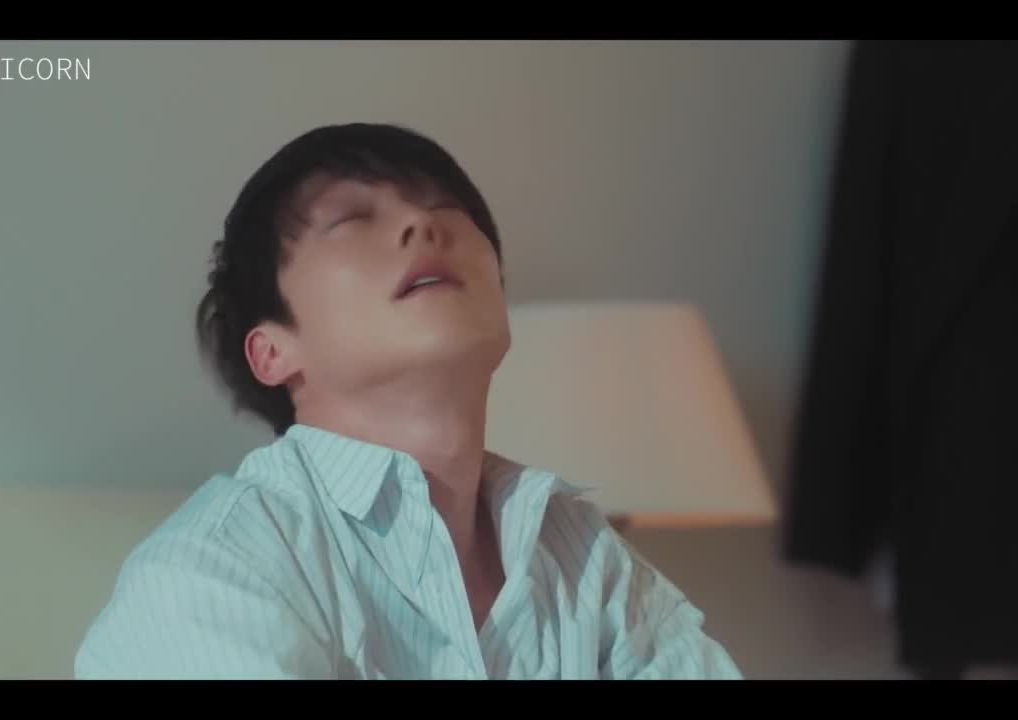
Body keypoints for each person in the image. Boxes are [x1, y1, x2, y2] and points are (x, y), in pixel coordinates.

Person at [74, 123, 743, 680]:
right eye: (352, 220)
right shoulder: (215, 568)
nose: (422, 224)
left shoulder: (583, 552)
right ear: (271, 351)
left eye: (447, 208)